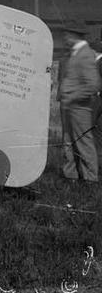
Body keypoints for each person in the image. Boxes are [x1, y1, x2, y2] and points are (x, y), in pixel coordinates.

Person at [58, 25, 100, 182]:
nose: (65, 38)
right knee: (69, 142)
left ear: (75, 35)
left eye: (67, 35)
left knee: (83, 143)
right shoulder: (75, 54)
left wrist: (73, 97)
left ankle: (90, 179)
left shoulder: (86, 54)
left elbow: (93, 85)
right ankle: (71, 176)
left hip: (80, 108)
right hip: (70, 107)